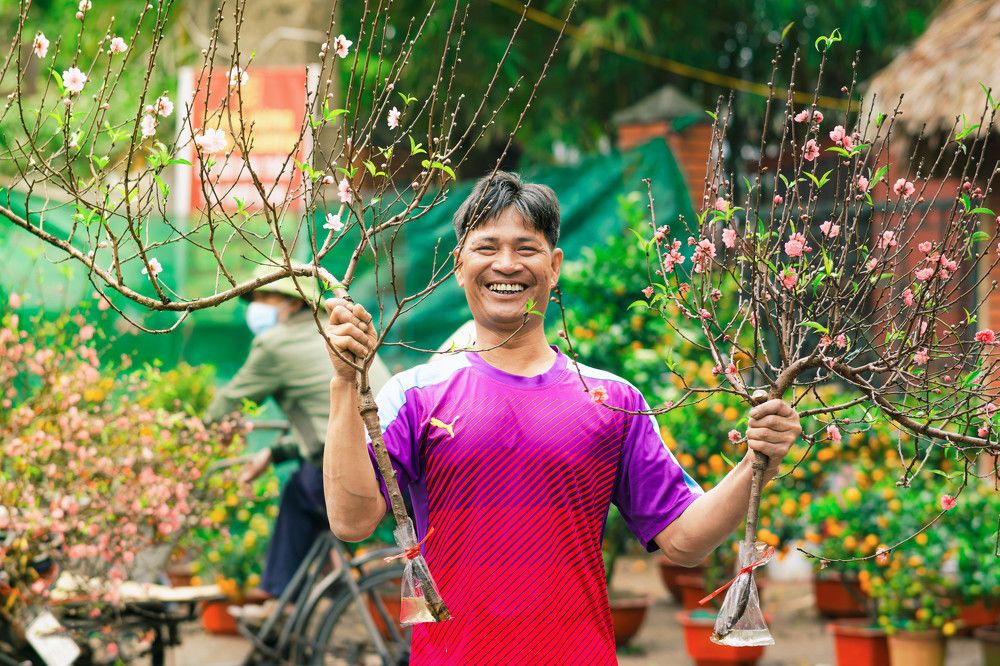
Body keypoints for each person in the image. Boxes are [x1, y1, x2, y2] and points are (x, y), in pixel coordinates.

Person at [322, 173, 801, 664]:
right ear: (460, 266)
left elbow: (683, 540)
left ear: (553, 267)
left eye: (525, 248)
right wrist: (342, 383)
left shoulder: (612, 401)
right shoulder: (416, 395)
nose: (506, 264)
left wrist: (756, 462)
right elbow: (352, 520)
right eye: (487, 247)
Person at [205, 264, 391, 599]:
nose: (258, 307)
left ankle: (279, 597)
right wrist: (276, 453)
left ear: (293, 303)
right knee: (310, 488)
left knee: (299, 491)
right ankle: (314, 589)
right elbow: (328, 423)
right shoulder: (332, 335)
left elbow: (230, 402)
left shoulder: (276, 345)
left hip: (357, 465)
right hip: (393, 461)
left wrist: (198, 428)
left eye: (266, 297)